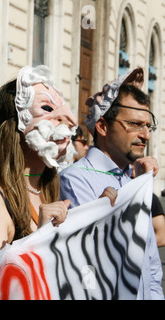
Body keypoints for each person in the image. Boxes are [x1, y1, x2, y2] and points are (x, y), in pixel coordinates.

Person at [0, 65, 116, 257]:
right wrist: (40, 238)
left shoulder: (50, 188)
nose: (71, 120)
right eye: (47, 108)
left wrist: (95, 218)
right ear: (18, 126)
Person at [59, 67, 163, 299]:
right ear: (103, 126)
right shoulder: (76, 178)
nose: (145, 134)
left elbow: (151, 265)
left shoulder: (132, 178)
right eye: (135, 124)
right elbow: (91, 264)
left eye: (148, 125)